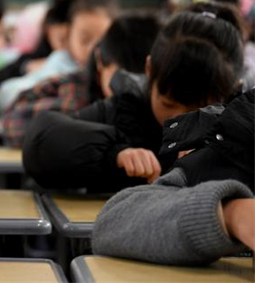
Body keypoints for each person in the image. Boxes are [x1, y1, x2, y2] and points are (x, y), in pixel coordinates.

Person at [23, 2, 245, 192]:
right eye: (168, 104)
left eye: (198, 110)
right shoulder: (126, 109)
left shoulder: (241, 124)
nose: (180, 121)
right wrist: (114, 153)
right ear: (149, 70)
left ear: (231, 91)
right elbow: (41, 142)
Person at [92, 89, 254, 265]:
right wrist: (232, 214)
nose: (179, 113)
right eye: (168, 104)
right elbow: (114, 223)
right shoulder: (234, 139)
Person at [2, 14, 161, 148]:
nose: (134, 87)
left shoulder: (163, 95)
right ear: (100, 61)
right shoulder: (74, 91)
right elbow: (14, 124)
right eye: (123, 80)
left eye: (142, 80)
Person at [0, 0, 116, 113]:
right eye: (84, 40)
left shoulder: (118, 69)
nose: (92, 48)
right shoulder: (59, 63)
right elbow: (8, 93)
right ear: (69, 37)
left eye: (102, 40)